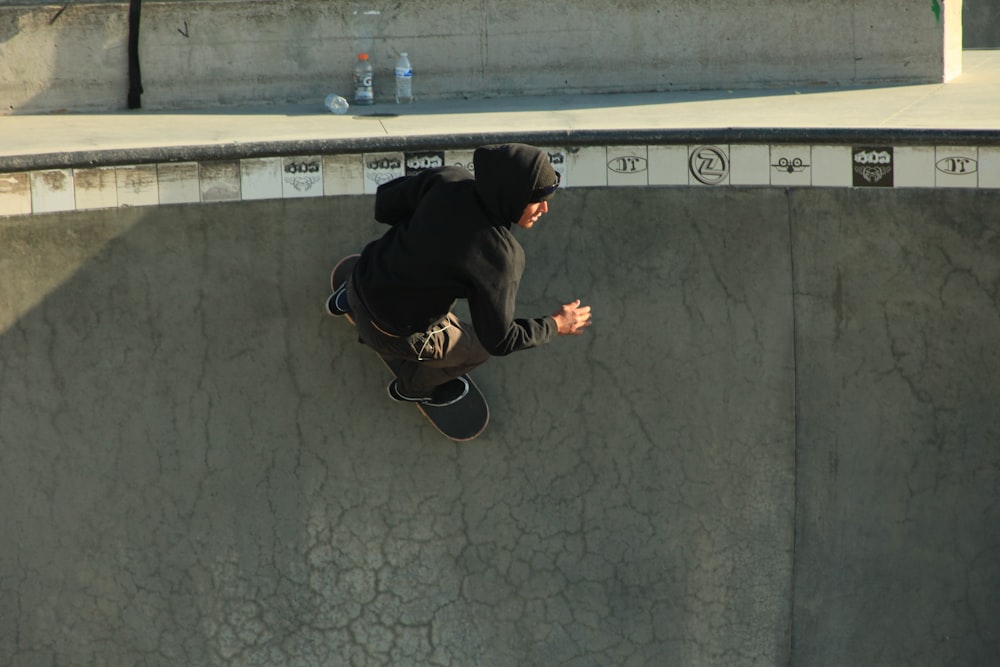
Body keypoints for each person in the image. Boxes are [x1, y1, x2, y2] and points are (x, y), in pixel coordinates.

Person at [327, 143, 592, 406]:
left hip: (362, 278)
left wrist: (426, 233)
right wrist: (555, 324)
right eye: (537, 201)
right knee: (478, 350)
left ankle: (346, 299)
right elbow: (500, 340)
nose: (544, 209)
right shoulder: (500, 257)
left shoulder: (448, 179)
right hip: (391, 334)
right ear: (513, 194)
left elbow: (384, 206)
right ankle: (412, 387)